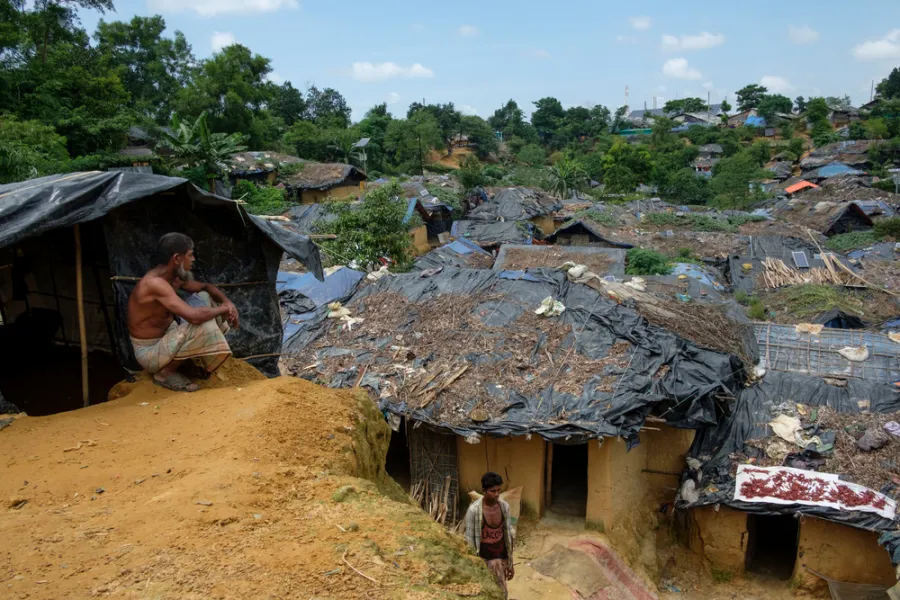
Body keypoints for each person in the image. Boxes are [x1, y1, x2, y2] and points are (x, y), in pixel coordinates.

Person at [127, 233, 239, 392]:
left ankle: (183, 364)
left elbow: (206, 287)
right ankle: (165, 374)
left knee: (205, 297)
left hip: (167, 338)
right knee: (203, 323)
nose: (193, 259)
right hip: (150, 352)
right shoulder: (154, 284)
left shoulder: (173, 278)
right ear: (177, 258)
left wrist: (228, 302)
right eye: (190, 255)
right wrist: (226, 308)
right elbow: (194, 318)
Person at [464, 471, 514, 598]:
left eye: (498, 490)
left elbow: (508, 536)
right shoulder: (474, 511)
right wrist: (473, 566)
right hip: (483, 560)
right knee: (485, 593)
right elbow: (469, 542)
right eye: (492, 491)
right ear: (484, 491)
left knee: (501, 593)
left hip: (500, 558)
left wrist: (510, 563)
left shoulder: (504, 507)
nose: (496, 494)